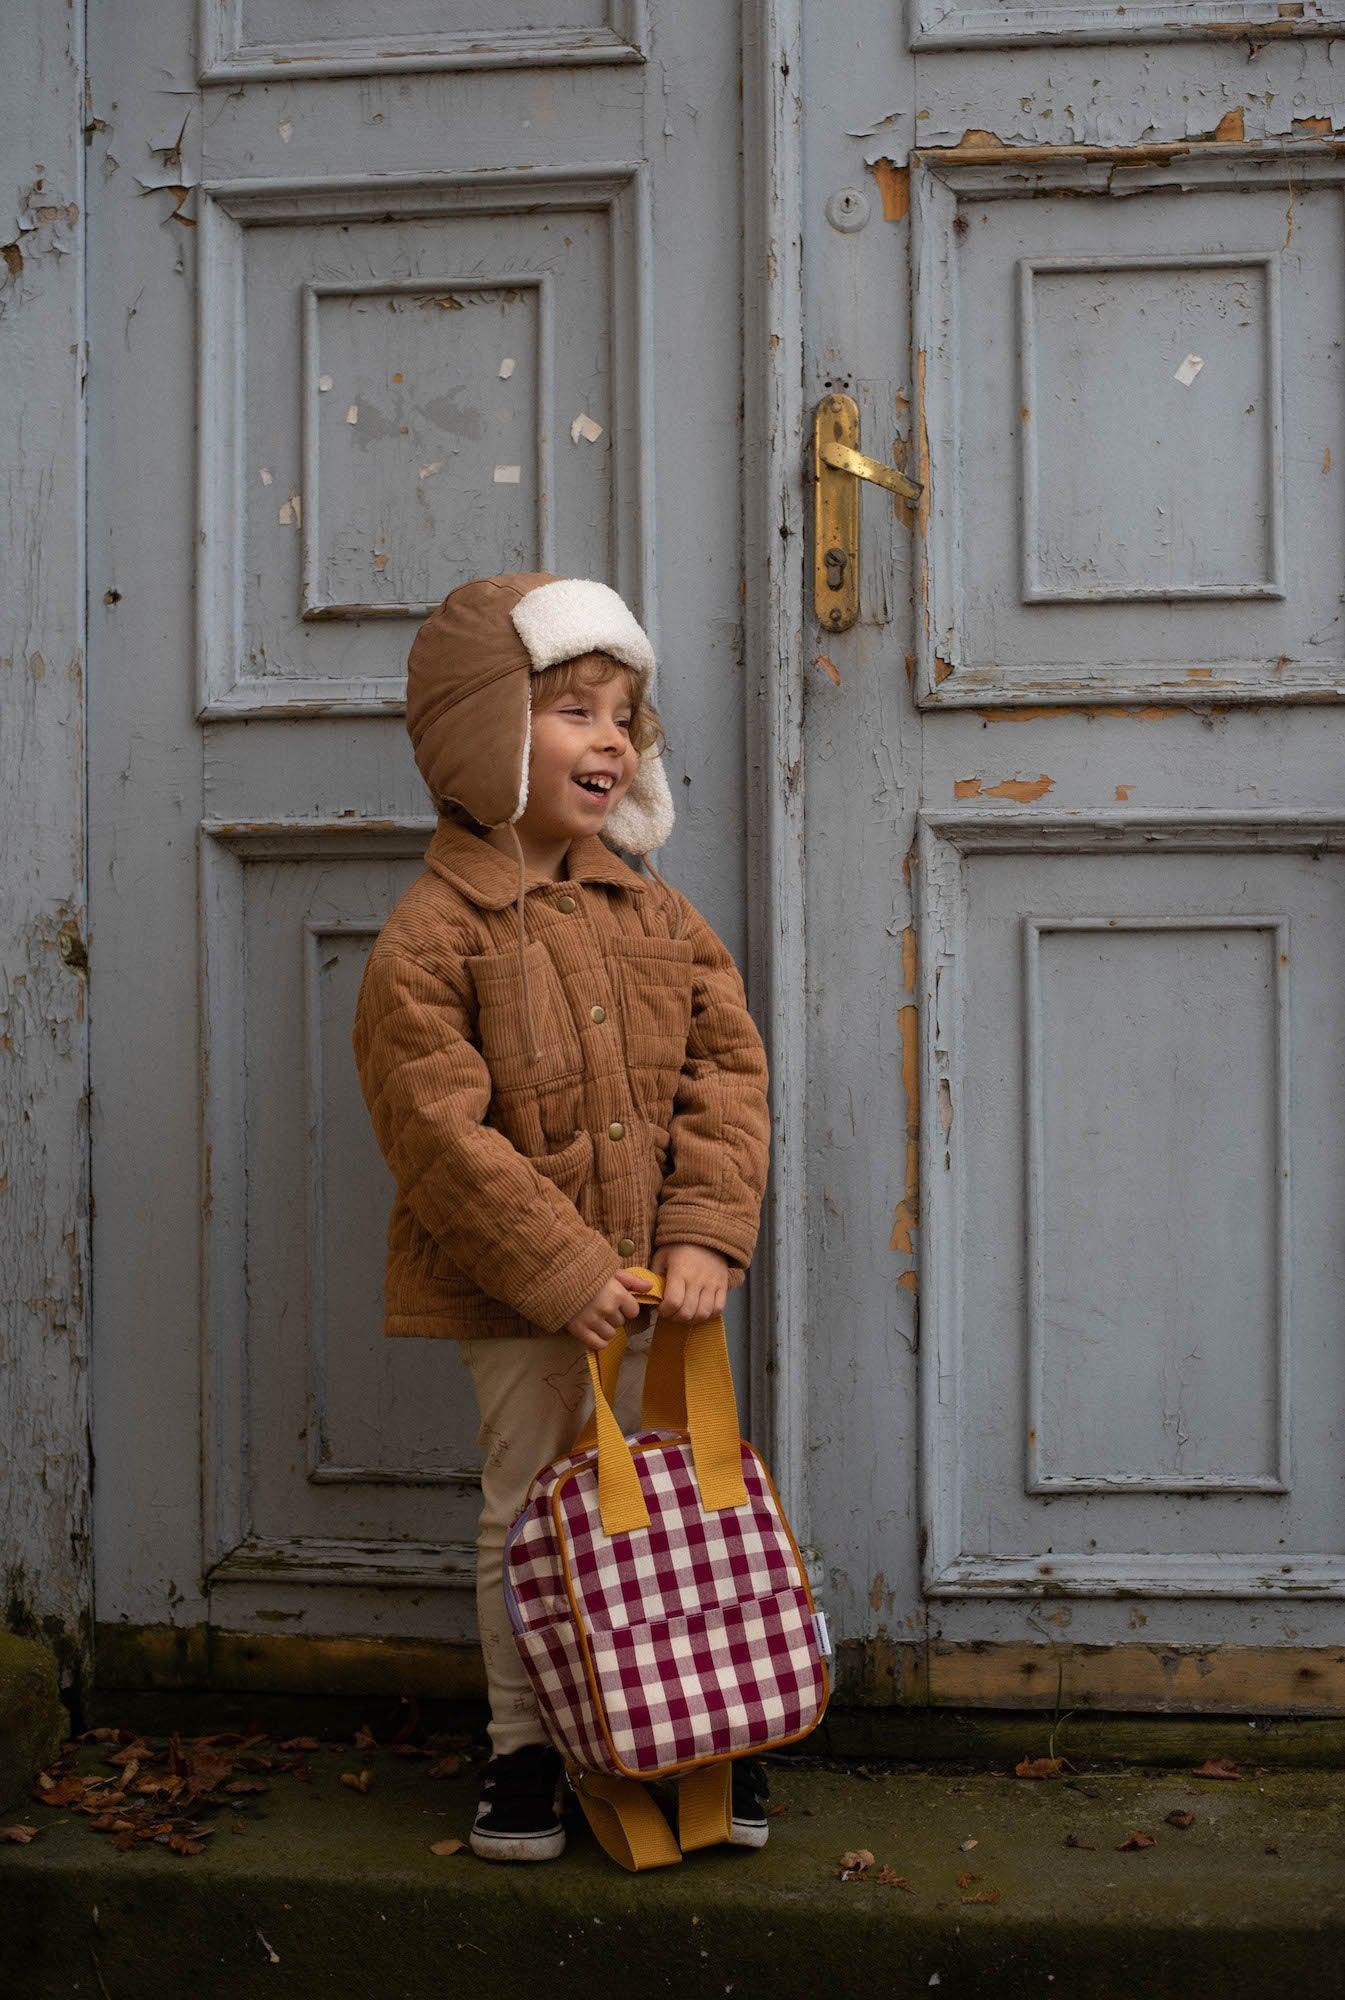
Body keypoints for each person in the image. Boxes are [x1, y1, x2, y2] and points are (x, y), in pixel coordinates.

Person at [351, 573, 773, 1862]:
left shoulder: (654, 909)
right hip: (520, 1296)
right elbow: (438, 1136)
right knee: (532, 1510)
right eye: (575, 710)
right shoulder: (430, 938)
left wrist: (700, 1230)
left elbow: (726, 1066)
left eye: (626, 718)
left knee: (679, 1496)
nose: (612, 740)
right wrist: (562, 1266)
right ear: (487, 729)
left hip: (659, 1282)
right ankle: (527, 1750)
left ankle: (695, 1723)